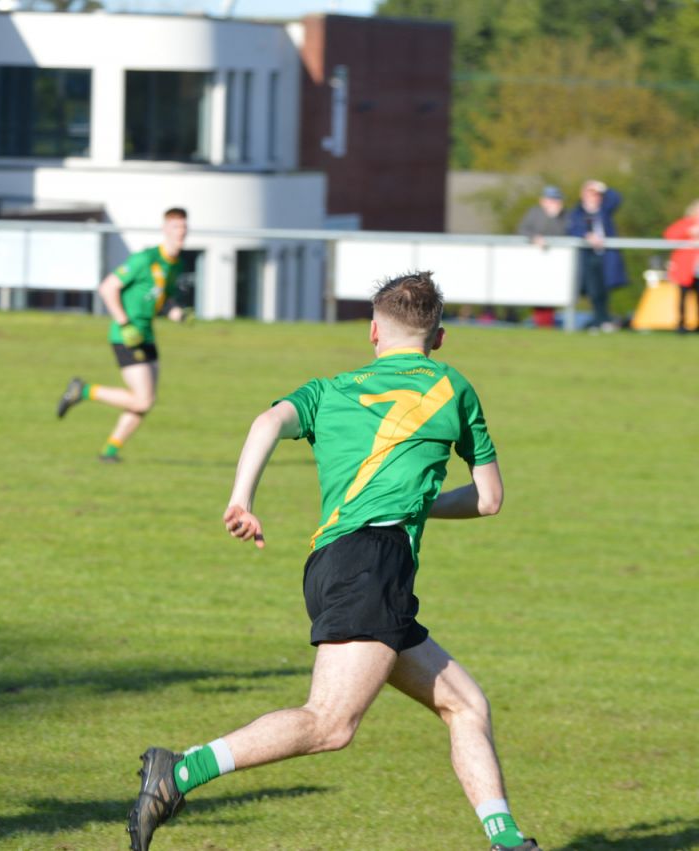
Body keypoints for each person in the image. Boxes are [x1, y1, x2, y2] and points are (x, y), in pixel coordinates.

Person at [126, 271, 540, 851]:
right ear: (439, 338)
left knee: (464, 703)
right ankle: (181, 772)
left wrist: (241, 499)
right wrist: (420, 505)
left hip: (334, 562)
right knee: (329, 723)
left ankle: (506, 839)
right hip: (375, 562)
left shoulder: (331, 388)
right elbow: (489, 498)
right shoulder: (453, 388)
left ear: (373, 331)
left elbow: (267, 421)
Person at [55, 207, 189, 462]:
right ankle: (83, 391)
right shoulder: (144, 259)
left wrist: (176, 313)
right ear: (164, 229)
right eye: (175, 227)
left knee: (145, 401)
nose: (180, 232)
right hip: (125, 336)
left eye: (184, 227)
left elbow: (162, 298)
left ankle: (110, 451)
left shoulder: (176, 263)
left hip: (147, 336)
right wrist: (124, 323)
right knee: (142, 400)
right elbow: (107, 288)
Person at [566, 180, 625, 332]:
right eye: (591, 193)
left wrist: (601, 186)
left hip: (605, 256)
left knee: (604, 290)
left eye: (597, 194)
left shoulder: (603, 210)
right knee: (593, 291)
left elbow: (616, 198)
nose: (594, 197)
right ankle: (598, 321)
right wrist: (587, 236)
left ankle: (603, 320)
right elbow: (572, 230)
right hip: (587, 256)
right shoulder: (577, 212)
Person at [515, 185, 569, 328]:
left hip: (556, 264)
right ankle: (540, 323)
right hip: (535, 263)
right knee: (538, 295)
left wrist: (555, 217)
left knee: (551, 296)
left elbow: (566, 233)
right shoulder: (534, 213)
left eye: (555, 199)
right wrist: (534, 238)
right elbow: (522, 229)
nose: (552, 203)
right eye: (549, 199)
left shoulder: (564, 216)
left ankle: (546, 324)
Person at [662, 200, 699, 334]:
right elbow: (669, 235)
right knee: (682, 298)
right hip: (686, 270)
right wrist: (688, 232)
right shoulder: (685, 224)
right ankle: (681, 324)